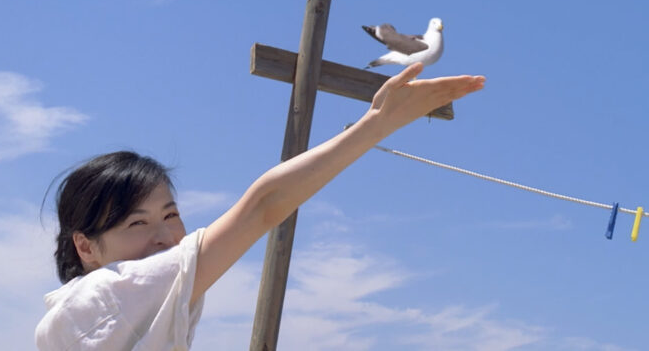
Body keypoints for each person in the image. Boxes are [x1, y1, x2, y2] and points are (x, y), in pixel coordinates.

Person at [35, 62, 485, 350]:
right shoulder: (104, 297)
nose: (166, 237)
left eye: (171, 215)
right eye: (137, 222)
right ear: (87, 248)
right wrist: (376, 124)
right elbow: (263, 207)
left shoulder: (119, 313)